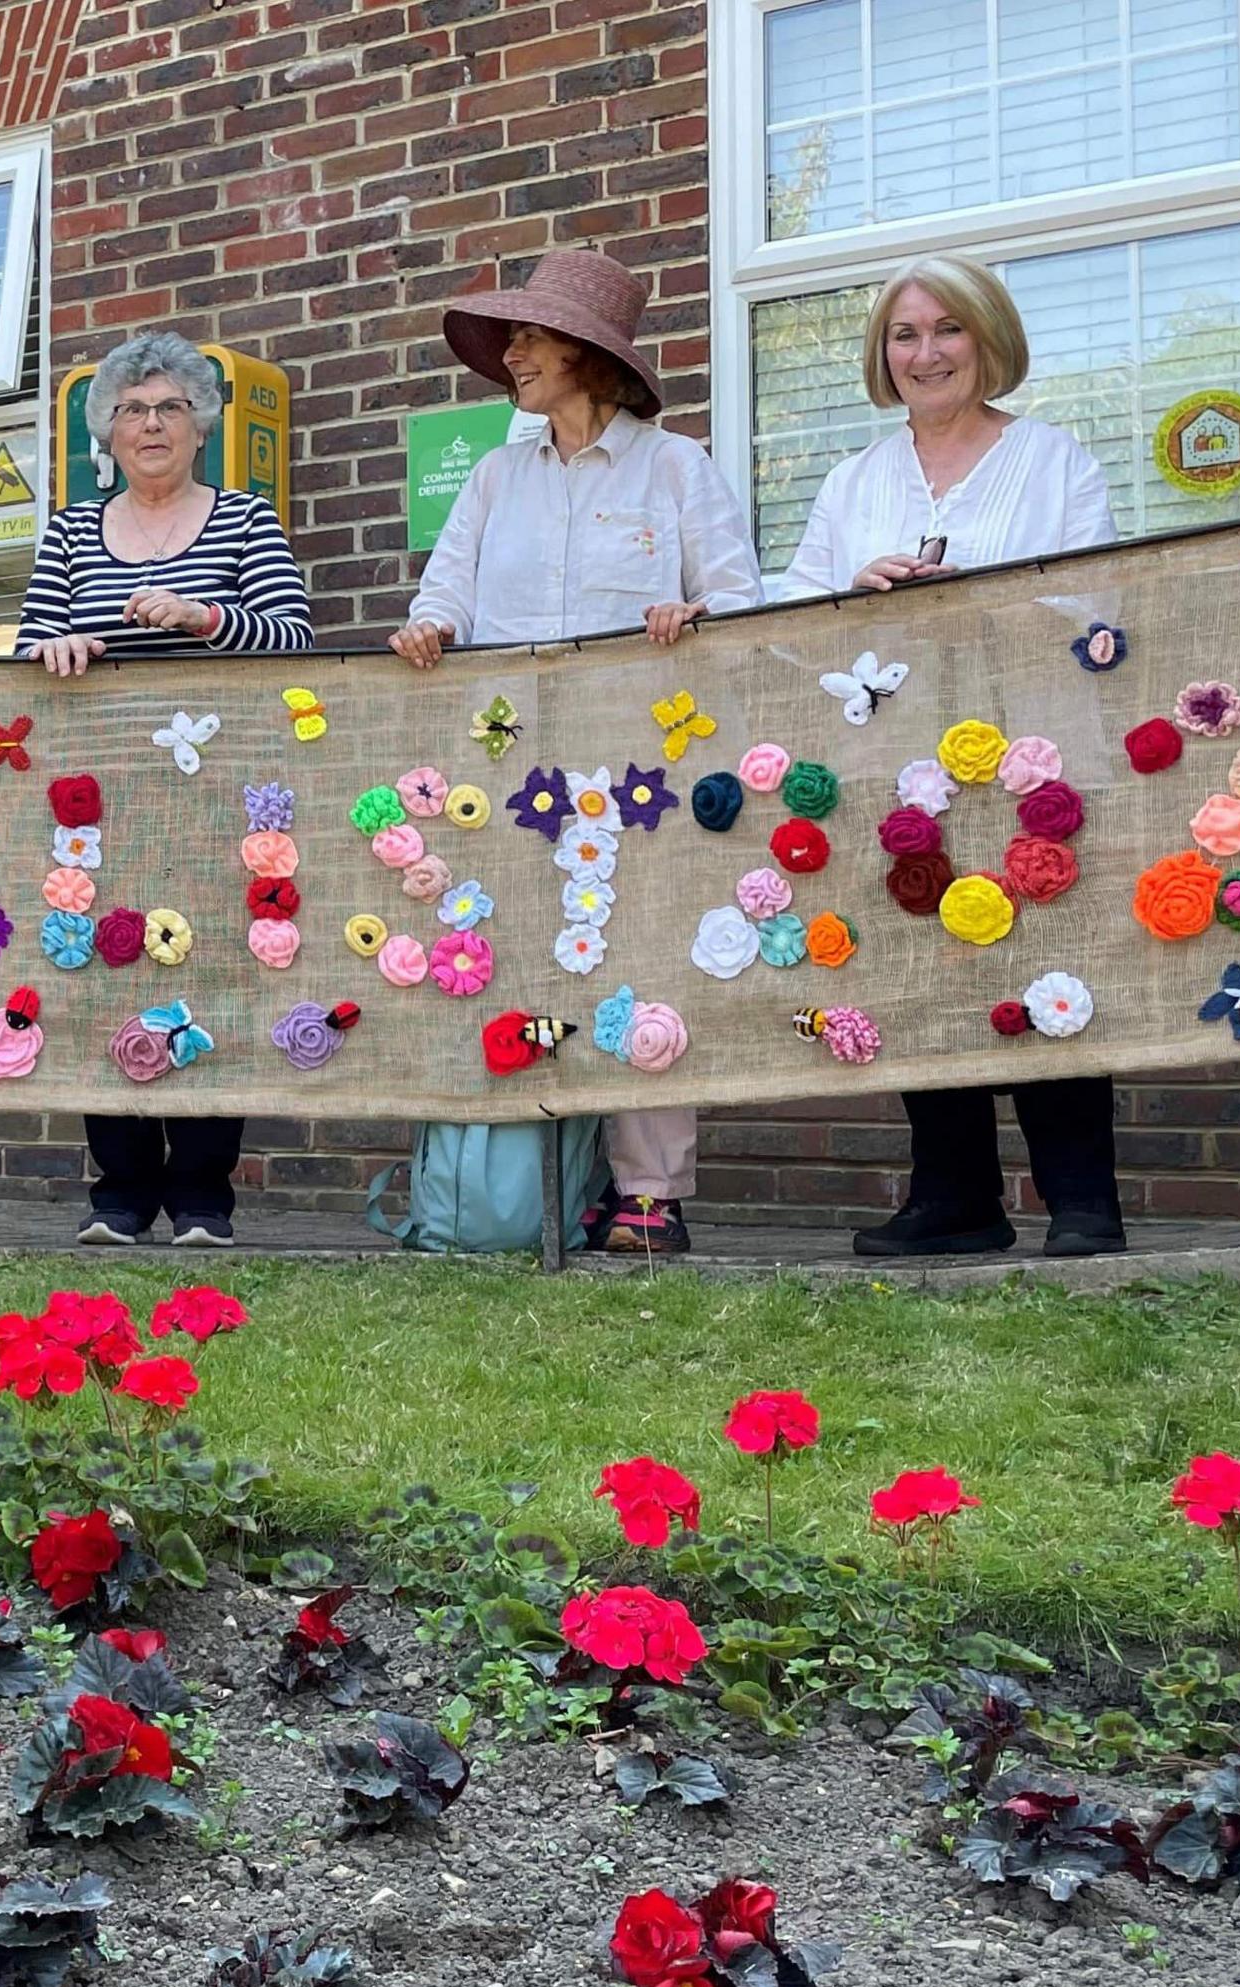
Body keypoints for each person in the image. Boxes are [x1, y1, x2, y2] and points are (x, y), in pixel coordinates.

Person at [389, 249, 759, 1256]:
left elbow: (746, 604)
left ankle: (650, 1193)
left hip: (641, 766)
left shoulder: (678, 467)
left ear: (590, 356)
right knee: (517, 958)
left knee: (639, 962)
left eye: (530, 335)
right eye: (509, 338)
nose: (512, 353)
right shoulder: (500, 475)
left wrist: (699, 611)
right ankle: (542, 1180)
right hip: (511, 766)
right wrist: (430, 629)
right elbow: (447, 590)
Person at [773, 255, 1126, 1259]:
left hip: (1028, 759)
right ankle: (957, 1198)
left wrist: (988, 592)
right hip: (903, 764)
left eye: (947, 330)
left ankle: (1082, 1200)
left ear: (988, 338)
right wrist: (855, 582)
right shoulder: (855, 481)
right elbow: (791, 617)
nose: (925, 353)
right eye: (905, 335)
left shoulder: (1056, 461)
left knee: (1044, 956)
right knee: (923, 966)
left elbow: (1100, 601)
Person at [18, 328, 311, 1247]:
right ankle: (119, 1191)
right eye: (133, 410)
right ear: (106, 431)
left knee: (211, 970)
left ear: (200, 426)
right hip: (97, 802)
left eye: (171, 408)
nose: (151, 424)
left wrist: (206, 616)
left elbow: (293, 637)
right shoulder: (70, 529)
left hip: (215, 794)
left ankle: (201, 1195)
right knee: (100, 965)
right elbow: (25, 651)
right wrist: (52, 649)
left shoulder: (244, 519)